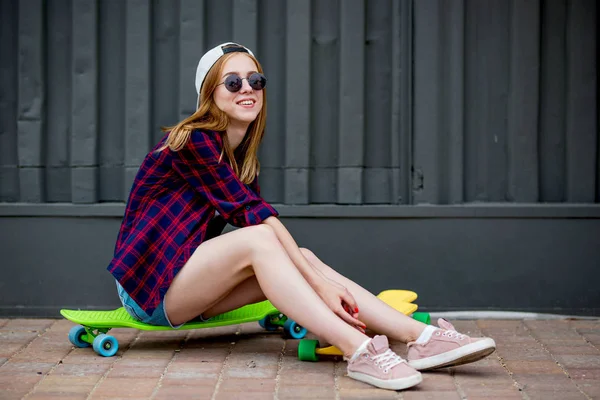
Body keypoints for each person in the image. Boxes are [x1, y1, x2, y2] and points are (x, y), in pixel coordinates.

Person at [107, 42, 496, 391]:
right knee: (262, 240)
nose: (247, 88)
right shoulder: (193, 140)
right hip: (150, 289)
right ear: (209, 93)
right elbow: (255, 221)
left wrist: (313, 276)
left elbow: (260, 228)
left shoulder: (242, 158)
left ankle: (422, 339)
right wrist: (320, 288)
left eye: (255, 80)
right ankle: (358, 350)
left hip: (189, 285)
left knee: (302, 256)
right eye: (233, 82)